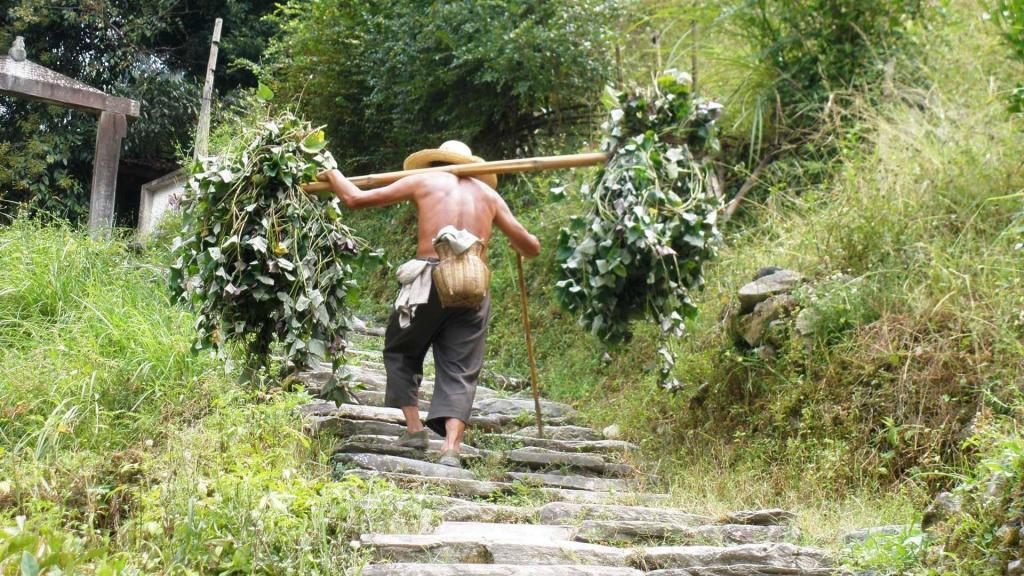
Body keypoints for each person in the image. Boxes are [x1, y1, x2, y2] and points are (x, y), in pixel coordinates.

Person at [318, 140, 540, 467]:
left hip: (429, 278)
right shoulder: (489, 196)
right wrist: (515, 241)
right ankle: (451, 448)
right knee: (462, 367)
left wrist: (333, 174)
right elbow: (531, 246)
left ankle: (414, 428)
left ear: (435, 161)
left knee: (400, 349)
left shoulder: (425, 180)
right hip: (473, 283)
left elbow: (354, 198)